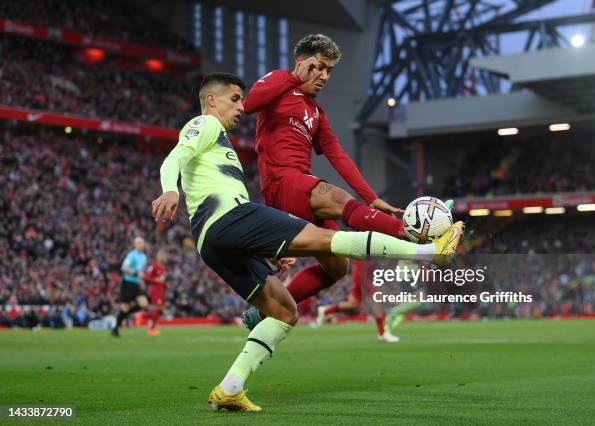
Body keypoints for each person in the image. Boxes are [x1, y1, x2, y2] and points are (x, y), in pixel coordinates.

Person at [151, 72, 464, 412]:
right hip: (229, 219)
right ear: (212, 100)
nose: (241, 107)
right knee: (329, 240)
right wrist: (170, 188)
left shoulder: (221, 146)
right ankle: (428, 251)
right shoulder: (205, 124)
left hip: (213, 241)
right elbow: (176, 157)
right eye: (235, 99)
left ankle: (230, 387)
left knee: (284, 310)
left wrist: (263, 249)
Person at [241, 34, 419, 325]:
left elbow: (338, 155)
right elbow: (249, 104)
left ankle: (259, 313)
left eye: (329, 71)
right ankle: (411, 234)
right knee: (336, 197)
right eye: (320, 67)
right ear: (303, 63)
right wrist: (294, 78)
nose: (324, 76)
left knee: (338, 267)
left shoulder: (317, 112)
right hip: (281, 184)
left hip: (303, 188)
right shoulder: (279, 80)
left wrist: (371, 197)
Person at [315, 260, 400, 343]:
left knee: (353, 303)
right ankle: (382, 333)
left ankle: (326, 311)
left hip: (364, 274)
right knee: (377, 300)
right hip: (364, 275)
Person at [111, 237, 149, 337]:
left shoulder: (144, 257)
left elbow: (140, 272)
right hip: (127, 284)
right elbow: (124, 268)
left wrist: (141, 281)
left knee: (144, 304)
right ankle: (115, 328)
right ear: (135, 245)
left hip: (136, 284)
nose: (141, 245)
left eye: (142, 243)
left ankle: (125, 315)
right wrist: (135, 273)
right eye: (138, 243)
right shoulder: (132, 255)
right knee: (125, 307)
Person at [142, 249, 167, 336]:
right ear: (158, 257)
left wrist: (165, 286)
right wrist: (155, 280)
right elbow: (146, 277)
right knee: (158, 309)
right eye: (162, 255)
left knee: (161, 310)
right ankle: (151, 328)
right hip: (155, 290)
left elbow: (162, 280)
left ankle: (145, 316)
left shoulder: (163, 267)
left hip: (161, 291)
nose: (164, 257)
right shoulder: (154, 266)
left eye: (164, 255)